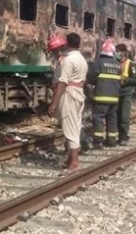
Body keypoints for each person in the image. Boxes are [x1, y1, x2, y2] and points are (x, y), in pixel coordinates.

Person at [47, 33, 88, 174]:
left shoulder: (69, 60)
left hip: (68, 95)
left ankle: (74, 163)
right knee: (75, 126)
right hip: (78, 93)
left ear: (67, 44)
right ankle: (71, 159)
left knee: (70, 129)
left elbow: (63, 82)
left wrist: (53, 103)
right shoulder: (81, 59)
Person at [87, 39, 122, 148]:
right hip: (114, 97)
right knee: (112, 118)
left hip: (101, 97)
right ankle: (111, 141)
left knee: (98, 117)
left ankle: (98, 141)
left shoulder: (98, 62)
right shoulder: (117, 64)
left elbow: (91, 77)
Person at [115, 44, 136, 146]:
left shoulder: (130, 64)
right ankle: (115, 136)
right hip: (115, 91)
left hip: (126, 92)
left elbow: (135, 79)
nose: (116, 53)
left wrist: (125, 80)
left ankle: (123, 137)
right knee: (115, 115)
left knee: (124, 115)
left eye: (118, 51)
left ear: (123, 52)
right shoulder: (115, 62)